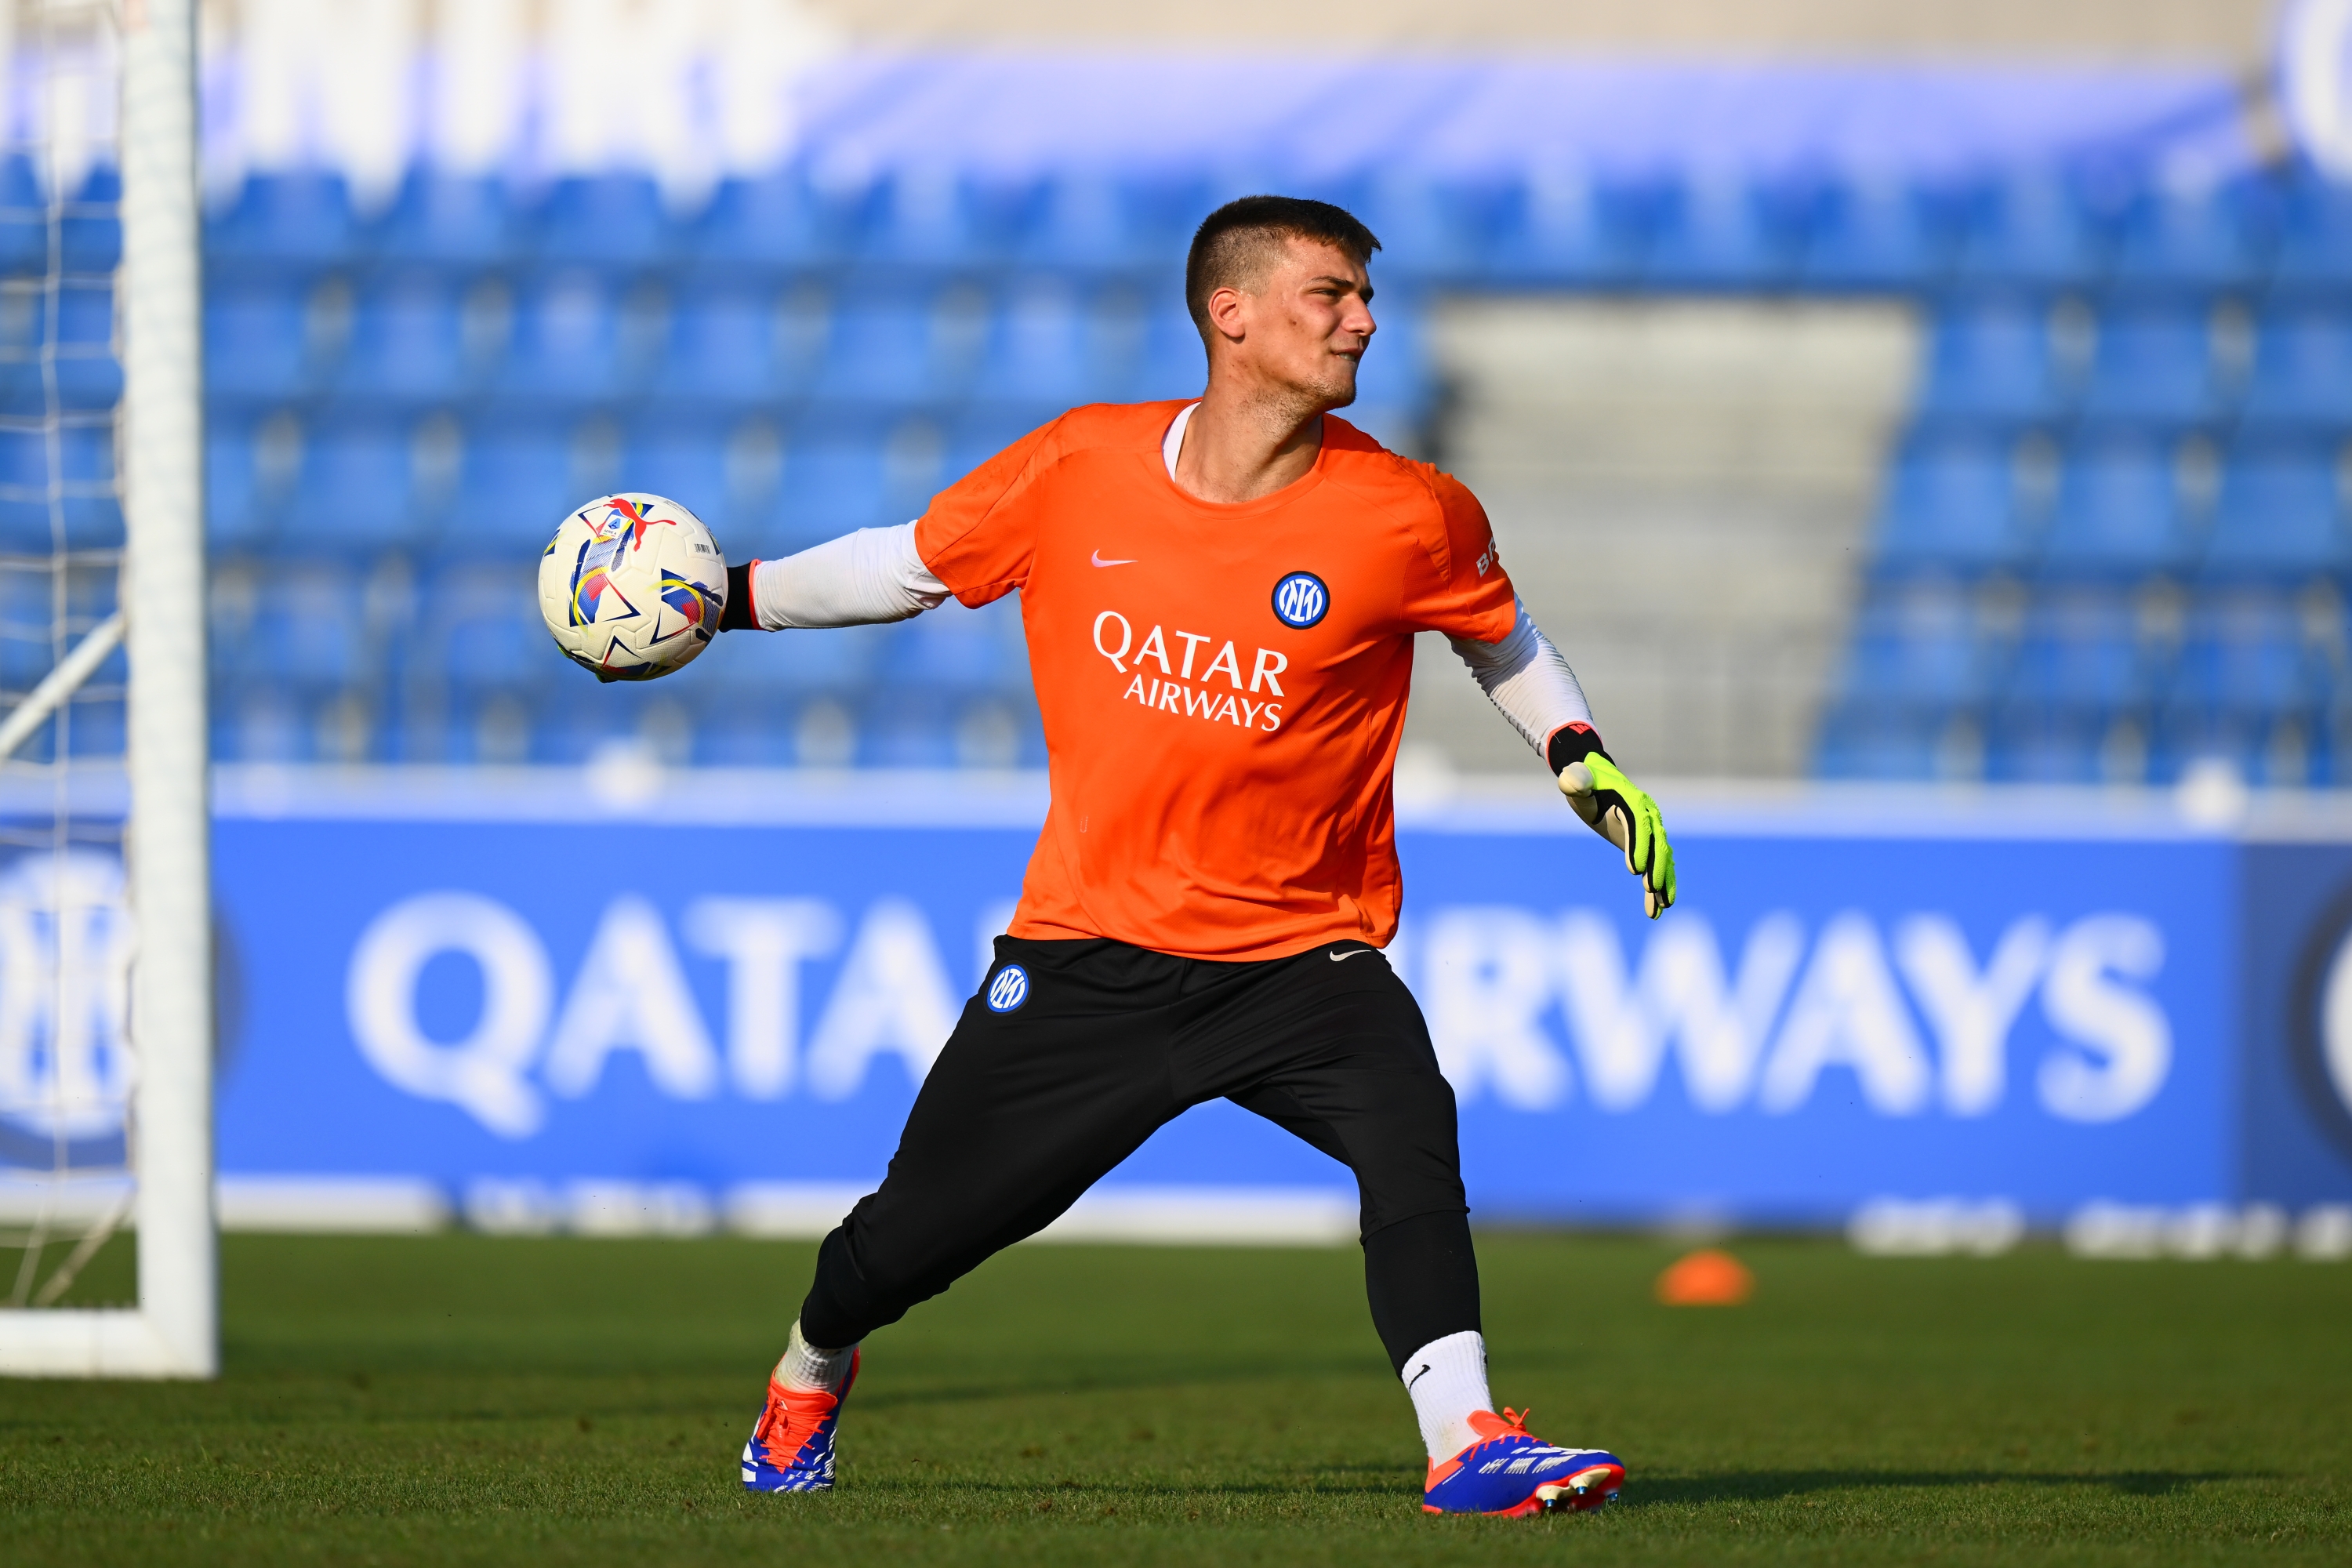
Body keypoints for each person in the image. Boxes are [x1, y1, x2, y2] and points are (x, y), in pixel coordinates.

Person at [708, 194, 1675, 1517]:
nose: (1364, 321)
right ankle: (810, 1372)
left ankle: (1469, 1441)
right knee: (905, 1243)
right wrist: (732, 600)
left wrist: (1578, 750)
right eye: (1330, 295)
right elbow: (910, 564)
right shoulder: (1080, 466)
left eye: (1363, 298)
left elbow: (1498, 635)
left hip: (1297, 957)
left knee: (1409, 1122)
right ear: (1232, 314)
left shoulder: (1411, 512)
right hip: (1088, 951)